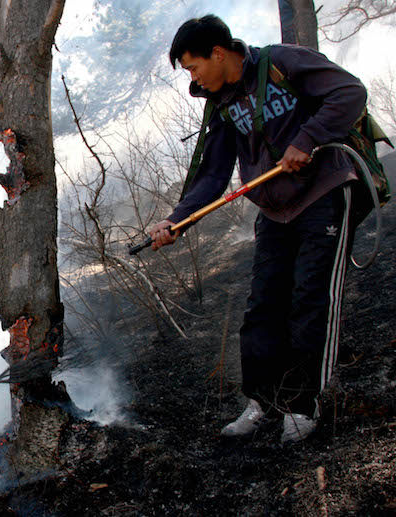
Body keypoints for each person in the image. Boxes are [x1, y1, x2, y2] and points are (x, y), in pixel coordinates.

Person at [153, 15, 367, 443]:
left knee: (311, 299)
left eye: (193, 68)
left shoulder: (283, 62)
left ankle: (304, 405)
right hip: (274, 212)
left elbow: (350, 92)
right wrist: (177, 219)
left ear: (218, 53)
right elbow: (213, 177)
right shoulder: (223, 103)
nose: (193, 79)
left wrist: (306, 139)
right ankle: (263, 401)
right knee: (263, 306)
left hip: (322, 193)